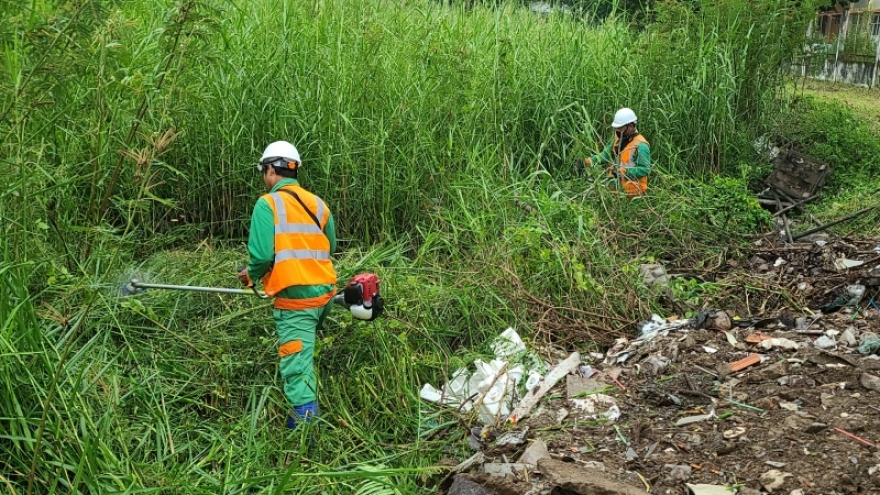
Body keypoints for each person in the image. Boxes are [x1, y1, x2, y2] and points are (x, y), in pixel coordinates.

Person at [237, 140, 337, 430]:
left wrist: (250, 276)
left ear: (269, 169)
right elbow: (330, 245)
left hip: (297, 303)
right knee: (306, 353)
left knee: (298, 371)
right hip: (326, 295)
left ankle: (305, 451)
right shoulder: (318, 204)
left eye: (263, 172)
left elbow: (261, 256)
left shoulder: (267, 204)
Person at [574, 107, 651, 198]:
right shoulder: (618, 140)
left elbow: (646, 169)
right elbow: (604, 155)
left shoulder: (641, 145)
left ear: (630, 126)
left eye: (620, 128)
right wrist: (586, 162)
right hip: (616, 192)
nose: (617, 131)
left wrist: (625, 172)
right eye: (616, 128)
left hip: (634, 194)